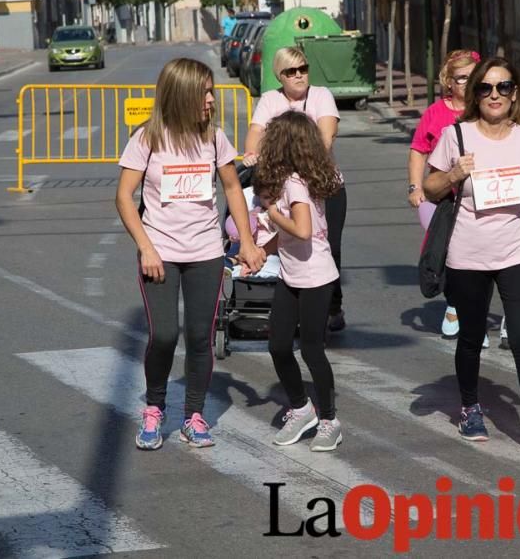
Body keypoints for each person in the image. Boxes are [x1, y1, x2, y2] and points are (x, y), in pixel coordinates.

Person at [115, 58, 265, 451]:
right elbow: (123, 197)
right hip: (159, 251)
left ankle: (193, 416)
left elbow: (232, 188)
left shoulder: (214, 138)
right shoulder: (147, 138)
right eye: (205, 92)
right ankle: (154, 408)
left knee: (200, 336)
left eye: (212, 91)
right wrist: (145, 247)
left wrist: (246, 241)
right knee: (164, 334)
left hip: (206, 251)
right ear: (182, 95)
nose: (211, 99)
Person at [422, 57, 520, 459]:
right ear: (474, 94)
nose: (494, 95)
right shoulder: (457, 136)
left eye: (502, 88)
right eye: (485, 88)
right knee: (470, 336)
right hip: (468, 253)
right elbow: (429, 187)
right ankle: (469, 409)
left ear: (514, 93)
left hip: (515, 250)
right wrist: (452, 175)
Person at [254, 111, 343, 451]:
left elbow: (303, 230)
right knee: (278, 344)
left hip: (316, 276)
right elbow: (292, 236)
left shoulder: (294, 183)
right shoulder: (297, 178)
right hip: (292, 273)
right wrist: (262, 251)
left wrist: (273, 214)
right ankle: (301, 408)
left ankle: (330, 420)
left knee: (311, 350)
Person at [244, 47, 347, 332]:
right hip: (284, 187)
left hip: (321, 184)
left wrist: (304, 165)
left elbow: (326, 136)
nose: (299, 75)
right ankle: (294, 304)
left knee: (328, 245)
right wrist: (251, 152)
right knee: (286, 243)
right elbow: (255, 132)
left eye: (303, 68)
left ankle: (333, 304)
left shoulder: (321, 95)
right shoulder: (270, 99)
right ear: (280, 75)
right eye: (292, 71)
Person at [407, 48, 483, 339]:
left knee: (482, 256)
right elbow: (418, 151)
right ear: (448, 82)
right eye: (461, 78)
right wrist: (415, 187)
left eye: (473, 76)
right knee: (451, 253)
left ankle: (474, 313)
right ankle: (454, 305)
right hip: (447, 196)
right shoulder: (436, 113)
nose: (469, 82)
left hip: (483, 195)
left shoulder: (486, 106)